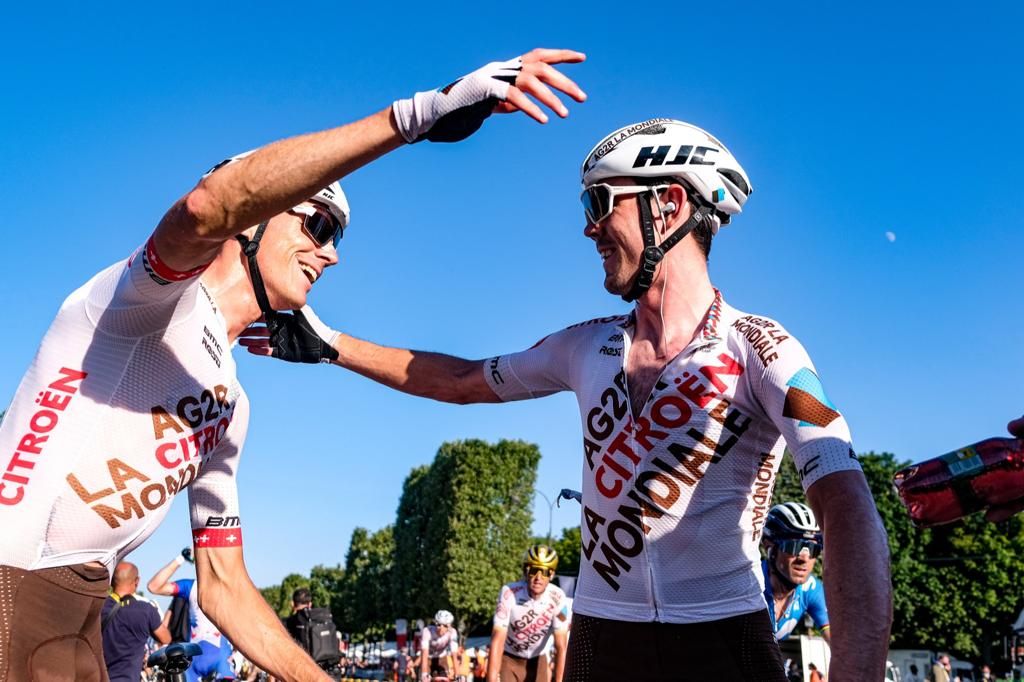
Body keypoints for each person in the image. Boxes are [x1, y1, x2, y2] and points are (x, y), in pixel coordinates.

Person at [0, 48, 585, 682]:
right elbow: (207, 207)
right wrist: (417, 115)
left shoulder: (232, 402)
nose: (329, 254)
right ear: (251, 225)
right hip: (13, 578)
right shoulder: (140, 304)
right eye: (320, 224)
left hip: (80, 610)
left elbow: (222, 585)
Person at [243, 118, 892, 680]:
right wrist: (327, 343)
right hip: (602, 637)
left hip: (723, 636)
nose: (588, 229)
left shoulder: (764, 348)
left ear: (666, 204)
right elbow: (463, 380)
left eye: (599, 203)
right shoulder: (584, 348)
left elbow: (845, 501)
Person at [148, 551, 235, 681]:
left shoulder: (229, 587)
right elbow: (154, 587)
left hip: (209, 655)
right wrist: (180, 558)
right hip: (200, 655)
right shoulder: (192, 586)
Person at [486, 545, 569, 682]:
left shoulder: (558, 597)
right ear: (525, 571)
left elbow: (561, 646)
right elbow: (497, 640)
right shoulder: (509, 593)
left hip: (538, 660)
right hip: (509, 658)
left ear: (552, 575)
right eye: (534, 570)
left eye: (545, 572)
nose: (538, 577)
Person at [761, 502, 830, 642]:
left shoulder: (811, 588)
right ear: (769, 547)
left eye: (813, 549)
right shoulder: (749, 583)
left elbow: (838, 644)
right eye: (794, 546)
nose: (804, 558)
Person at [102, 561, 171, 682]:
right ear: (137, 581)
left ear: (112, 581)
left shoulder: (97, 606)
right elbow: (166, 638)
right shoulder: (145, 610)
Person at [420, 610, 458, 681]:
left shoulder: (452, 632)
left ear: (449, 626)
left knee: (444, 679)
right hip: (428, 658)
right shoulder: (427, 631)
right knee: (425, 679)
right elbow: (425, 654)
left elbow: (454, 656)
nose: (441, 628)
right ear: (436, 623)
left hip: (441, 657)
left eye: (445, 626)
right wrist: (424, 673)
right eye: (439, 625)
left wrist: (457, 675)